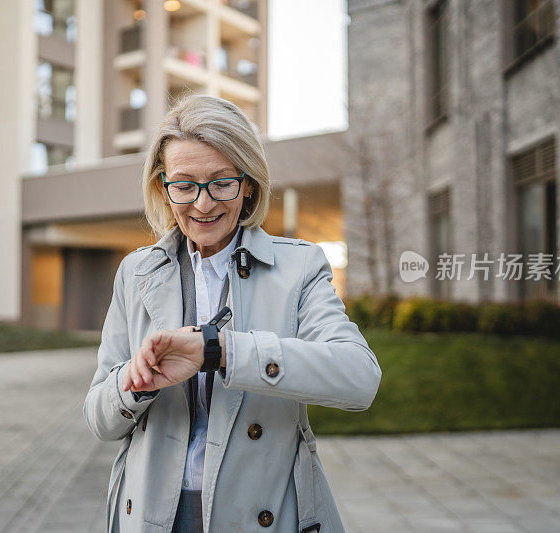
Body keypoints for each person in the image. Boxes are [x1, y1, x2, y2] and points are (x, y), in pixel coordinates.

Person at [83, 94, 381, 532]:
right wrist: (136, 383)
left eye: (221, 182)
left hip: (262, 515)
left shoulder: (299, 266)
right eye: (184, 185)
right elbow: (98, 418)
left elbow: (360, 379)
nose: (202, 205)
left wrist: (221, 351)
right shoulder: (136, 273)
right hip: (152, 517)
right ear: (162, 186)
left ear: (249, 185)